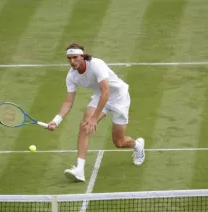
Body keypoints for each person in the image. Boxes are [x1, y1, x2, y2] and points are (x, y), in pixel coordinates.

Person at [46, 43, 145, 182]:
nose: (72, 61)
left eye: (75, 57)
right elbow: (68, 102)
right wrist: (56, 120)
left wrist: (93, 118)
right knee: (84, 126)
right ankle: (80, 170)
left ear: (82, 56)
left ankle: (138, 145)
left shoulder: (96, 64)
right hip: (100, 96)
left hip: (119, 98)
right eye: (69, 58)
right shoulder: (71, 76)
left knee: (119, 142)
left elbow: (106, 92)